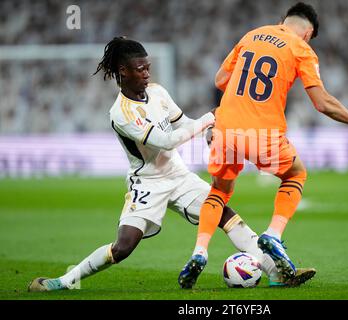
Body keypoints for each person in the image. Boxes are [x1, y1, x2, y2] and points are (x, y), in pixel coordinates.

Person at [28, 37, 313, 292]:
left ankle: (276, 272)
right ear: (123, 72)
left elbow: (183, 123)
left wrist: (209, 129)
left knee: (225, 214)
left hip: (178, 174)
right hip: (148, 182)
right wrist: (210, 119)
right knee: (124, 246)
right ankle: (62, 282)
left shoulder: (158, 93)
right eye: (140, 69)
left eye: (148, 67)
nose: (147, 73)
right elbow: (166, 141)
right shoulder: (121, 113)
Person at [178, 2, 348, 288]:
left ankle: (200, 252)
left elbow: (220, 80)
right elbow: (322, 103)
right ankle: (273, 235)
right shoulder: (302, 49)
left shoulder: (252, 35)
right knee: (296, 174)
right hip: (263, 134)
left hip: (225, 129)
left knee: (219, 191)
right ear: (308, 32)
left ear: (283, 20)